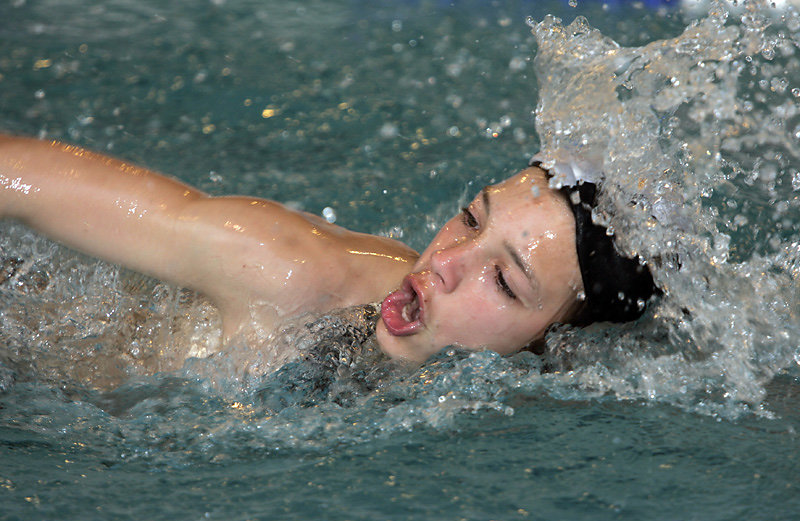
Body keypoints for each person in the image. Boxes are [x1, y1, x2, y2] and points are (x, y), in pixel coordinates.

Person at [0, 134, 655, 375]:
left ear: (559, 344)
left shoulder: (547, 382)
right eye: (470, 219)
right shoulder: (285, 269)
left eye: (504, 280)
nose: (443, 263)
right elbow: (22, 172)